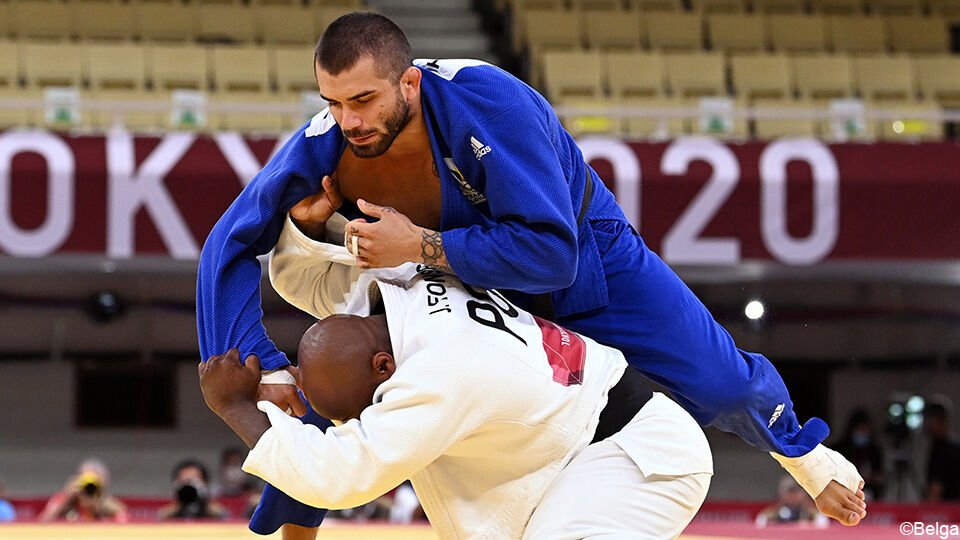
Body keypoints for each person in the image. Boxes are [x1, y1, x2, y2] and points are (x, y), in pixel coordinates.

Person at [195, 11, 866, 534]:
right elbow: (227, 241)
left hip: (583, 254)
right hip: (465, 282)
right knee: (341, 380)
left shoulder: (492, 104)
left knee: (718, 382)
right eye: (333, 102)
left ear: (409, 82)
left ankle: (805, 457)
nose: (349, 121)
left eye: (363, 101)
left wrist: (421, 245)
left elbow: (551, 253)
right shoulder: (324, 142)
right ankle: (292, 528)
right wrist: (256, 356)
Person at [200, 259, 716, 539]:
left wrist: (236, 408)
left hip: (634, 458)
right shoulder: (401, 282)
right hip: (562, 452)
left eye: (365, 411)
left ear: (383, 368)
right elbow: (301, 269)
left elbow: (342, 474)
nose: (369, 419)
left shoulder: (442, 372)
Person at [38, 458, 128, 522]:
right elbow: (42, 522)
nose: (89, 487)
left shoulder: (109, 505)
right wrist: (66, 499)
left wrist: (97, 508)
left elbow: (123, 524)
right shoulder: (65, 499)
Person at [835, 408, 886, 500]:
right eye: (860, 429)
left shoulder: (874, 451)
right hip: (844, 493)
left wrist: (872, 477)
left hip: (869, 493)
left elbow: (880, 476)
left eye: (865, 430)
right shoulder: (839, 449)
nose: (863, 433)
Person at [157, 459, 229, 520]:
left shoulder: (216, 512)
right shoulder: (167, 513)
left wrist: (206, 504)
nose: (190, 487)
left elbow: (226, 518)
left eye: (194, 481)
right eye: (185, 482)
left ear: (205, 484)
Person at [755, 476, 829, 528]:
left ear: (802, 494)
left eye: (795, 493)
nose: (792, 496)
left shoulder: (809, 510)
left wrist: (809, 525)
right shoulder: (776, 509)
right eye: (789, 493)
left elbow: (822, 522)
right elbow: (761, 520)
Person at [923, 397, 960, 502]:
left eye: (930, 420)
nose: (927, 425)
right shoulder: (940, 446)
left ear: (942, 421)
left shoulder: (943, 449)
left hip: (948, 510)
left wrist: (929, 510)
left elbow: (936, 486)